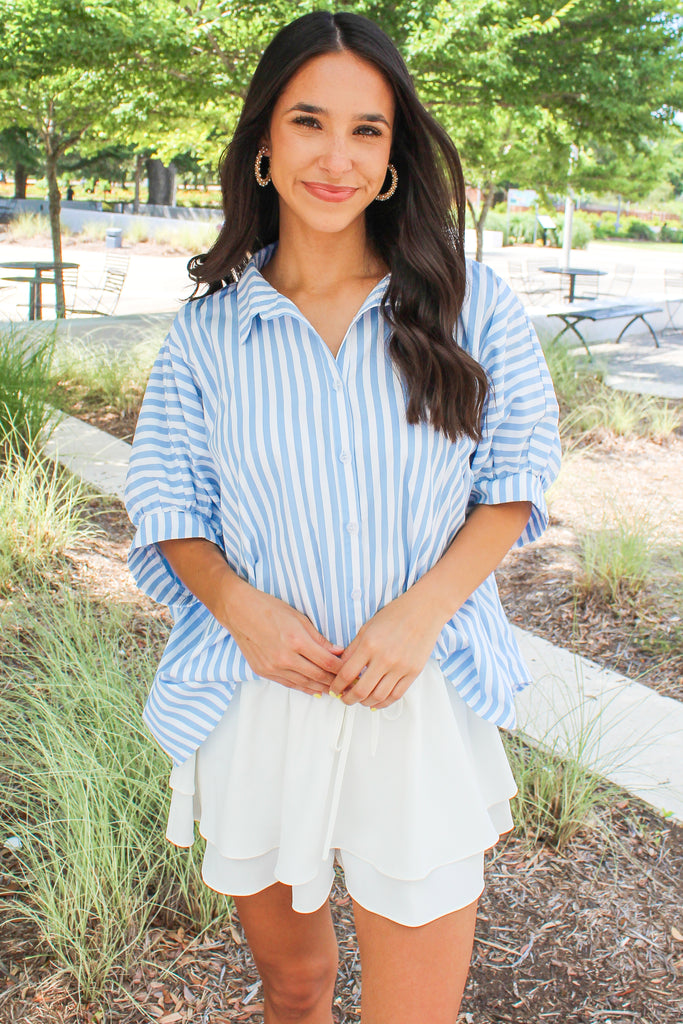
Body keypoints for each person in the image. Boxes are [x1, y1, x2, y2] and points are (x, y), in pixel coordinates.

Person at [124, 10, 561, 1024]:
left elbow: (513, 479)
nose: (337, 156)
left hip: (414, 691)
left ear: (393, 155)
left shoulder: (469, 302)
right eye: (309, 122)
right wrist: (239, 608)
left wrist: (420, 617)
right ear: (264, 146)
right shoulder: (209, 330)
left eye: (366, 130)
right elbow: (168, 503)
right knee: (293, 987)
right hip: (258, 690)